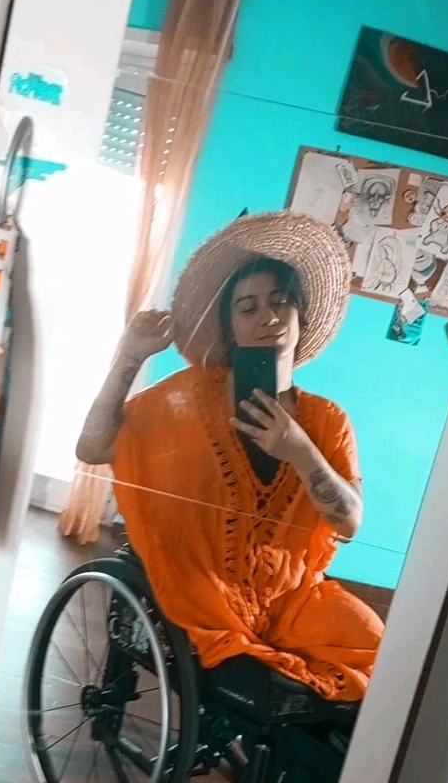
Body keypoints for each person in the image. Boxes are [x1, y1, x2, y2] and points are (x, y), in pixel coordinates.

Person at [77, 211, 384, 705]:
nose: (268, 317)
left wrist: (300, 451)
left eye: (280, 301)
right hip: (202, 590)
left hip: (294, 600)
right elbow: (91, 447)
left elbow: (348, 523)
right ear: (230, 327)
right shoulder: (186, 399)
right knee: (262, 684)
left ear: (301, 314)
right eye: (247, 307)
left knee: (383, 657)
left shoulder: (327, 420)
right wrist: (130, 356)